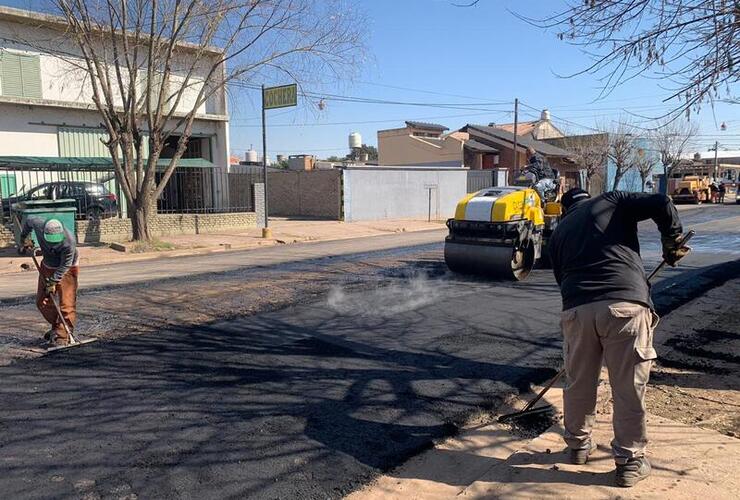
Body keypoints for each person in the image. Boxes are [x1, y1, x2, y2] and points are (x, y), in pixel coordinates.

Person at [548, 188, 689, 488]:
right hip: (624, 304)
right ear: (587, 198)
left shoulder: (559, 231)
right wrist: (672, 239)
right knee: (627, 385)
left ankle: (577, 447)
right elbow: (661, 202)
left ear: (564, 208)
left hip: (577, 309)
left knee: (578, 381)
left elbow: (561, 279)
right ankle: (629, 461)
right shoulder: (611, 200)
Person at [20, 217, 79, 347]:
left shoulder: (69, 242)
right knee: (41, 302)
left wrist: (52, 282)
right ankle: (57, 327)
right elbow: (28, 221)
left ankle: (63, 335)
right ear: (44, 231)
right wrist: (25, 237)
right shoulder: (38, 224)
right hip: (47, 265)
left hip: (67, 268)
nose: (53, 244)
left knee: (66, 303)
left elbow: (65, 266)